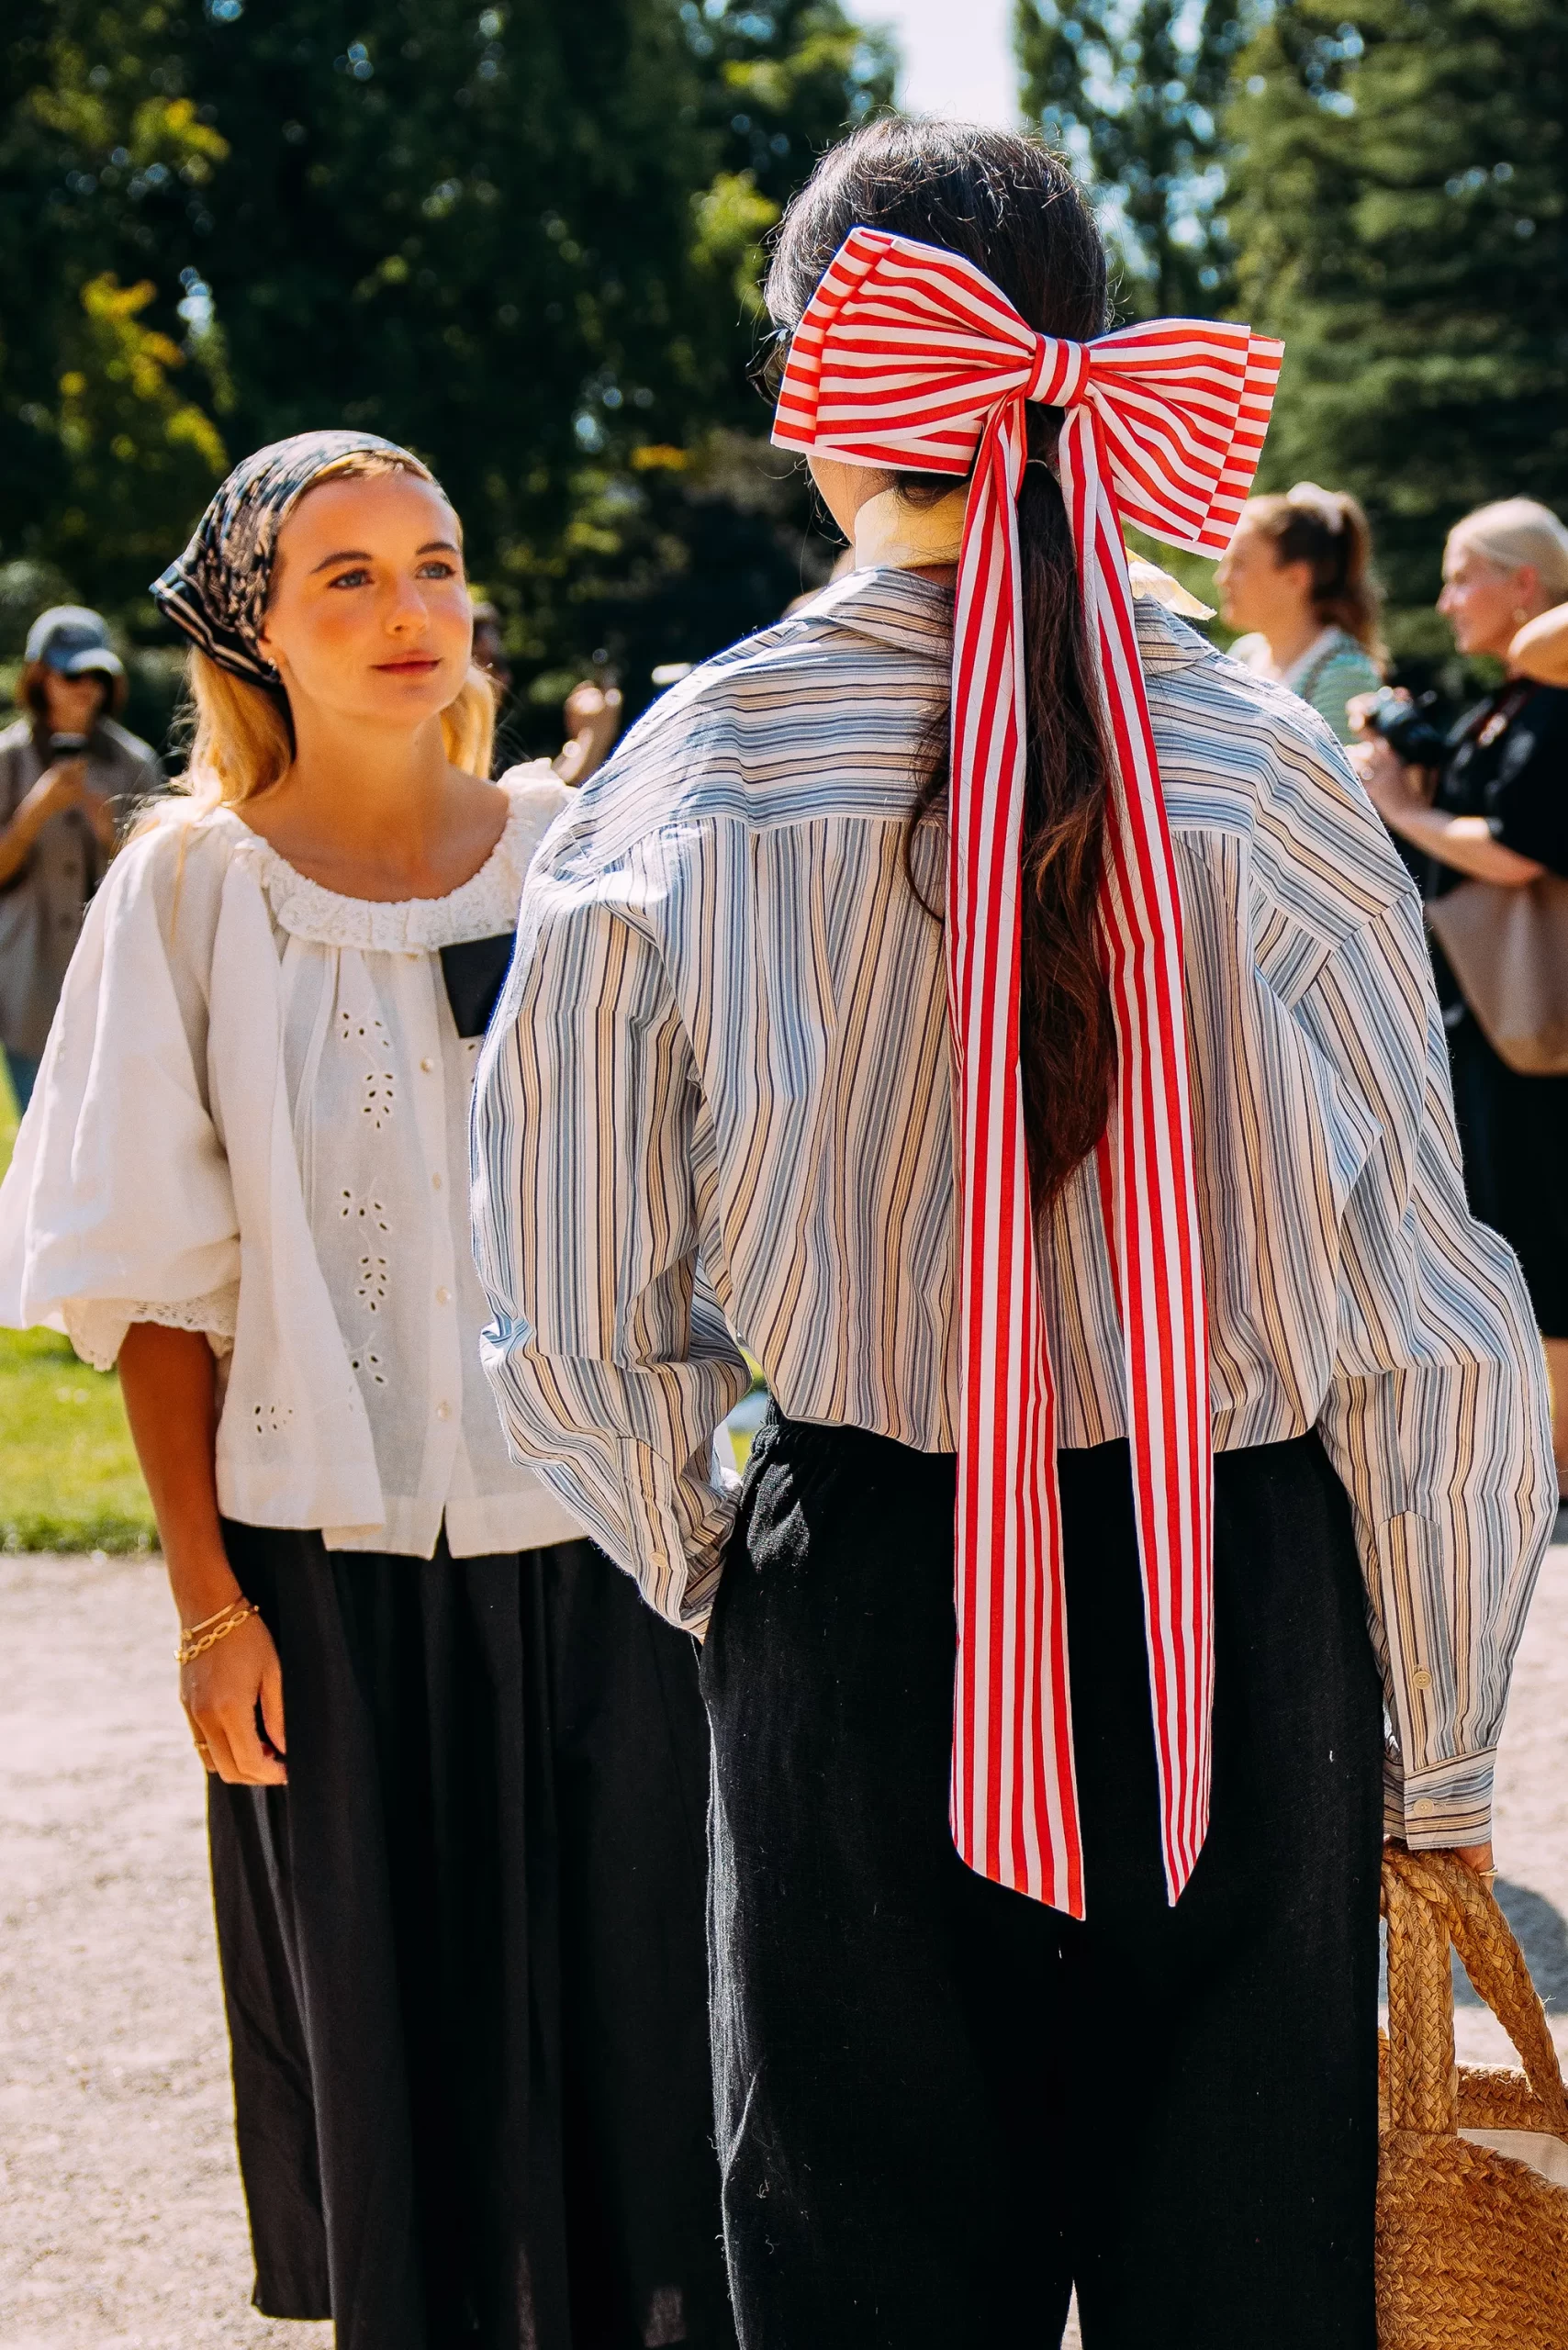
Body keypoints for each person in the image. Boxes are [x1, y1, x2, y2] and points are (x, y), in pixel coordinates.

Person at [471, 122, 1555, 2349]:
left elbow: (570, 1311)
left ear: (822, 392)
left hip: (865, 1590)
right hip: (1239, 1613)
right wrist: (1437, 1754)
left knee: (866, 2283)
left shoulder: (681, 778)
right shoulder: (1265, 766)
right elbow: (1432, 1328)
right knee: (1248, 2288)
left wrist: (746, 1569)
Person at [0, 432, 732, 2350]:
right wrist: (203, 1605)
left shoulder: (584, 847)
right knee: (398, 2100)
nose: (412, 610)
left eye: (435, 560)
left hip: (605, 1558)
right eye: (348, 576)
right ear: (252, 627)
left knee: (644, 2078)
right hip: (319, 1576)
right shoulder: (189, 897)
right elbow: (158, 1285)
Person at [1350, 496, 1568, 1490]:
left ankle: (1556, 1464)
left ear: (1523, 582)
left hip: (1533, 1020)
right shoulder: (1513, 698)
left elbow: (1522, 849)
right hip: (1487, 1013)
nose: (1444, 601)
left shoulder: (1554, 702)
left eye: (1463, 575)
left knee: (1539, 1227)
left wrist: (1398, 805)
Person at [0, 605, 161, 1111]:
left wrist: (110, 836)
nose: (85, 688)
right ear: (40, 678)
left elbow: (159, 887)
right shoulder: (8, 760)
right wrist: (35, 811)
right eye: (71, 674)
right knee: (35, 1146)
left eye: (97, 675)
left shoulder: (135, 763)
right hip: (26, 986)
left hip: (112, 988)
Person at [1215, 481, 1386, 741]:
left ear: (1296, 578)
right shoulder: (1244, 655)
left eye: (1238, 564)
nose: (1222, 579)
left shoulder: (1343, 674)